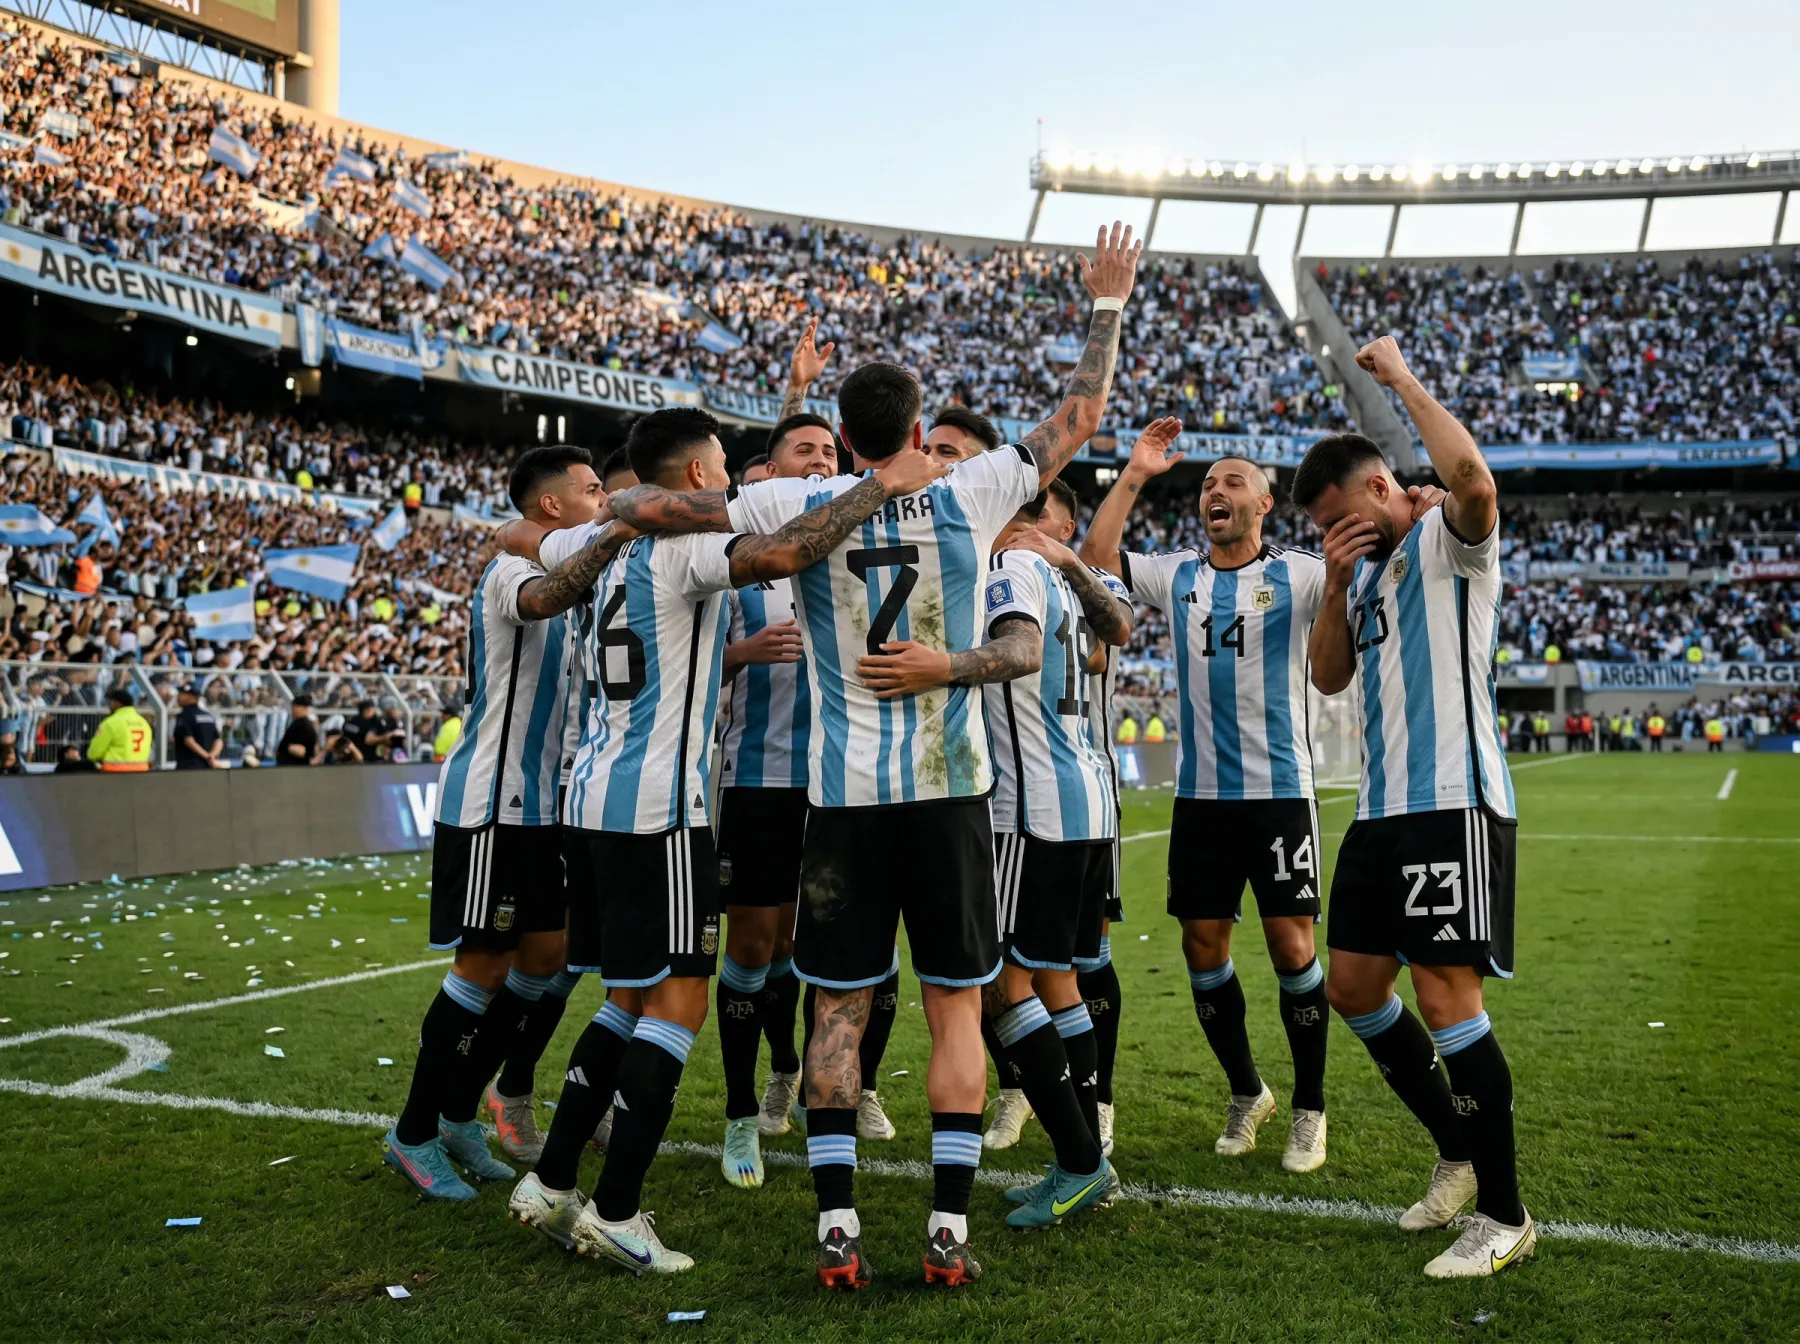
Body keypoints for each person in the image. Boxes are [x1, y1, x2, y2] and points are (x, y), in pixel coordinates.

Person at [604, 223, 1139, 1288]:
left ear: (839, 437)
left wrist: (608, 512)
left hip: (841, 805)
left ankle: (836, 1230)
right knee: (955, 1009)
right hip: (950, 800)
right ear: (915, 426)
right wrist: (1106, 303)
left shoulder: (795, 500)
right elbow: (1081, 414)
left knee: (837, 1013)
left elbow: (657, 508)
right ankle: (948, 1231)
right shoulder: (975, 489)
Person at [505, 408, 946, 1274]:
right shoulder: (680, 550)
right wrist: (877, 485)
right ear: (703, 477)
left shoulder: (593, 544)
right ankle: (620, 1209)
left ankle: (553, 1182)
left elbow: (528, 541)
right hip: (661, 808)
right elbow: (781, 553)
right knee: (679, 1004)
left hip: (595, 794)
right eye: (722, 468)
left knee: (626, 999)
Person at [1294, 334, 1530, 1280]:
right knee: (1349, 988)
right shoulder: (1367, 572)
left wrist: (1396, 378)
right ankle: (1459, 1152)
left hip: (1452, 803)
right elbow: (1326, 675)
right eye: (1320, 529)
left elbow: (1472, 478)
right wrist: (1338, 578)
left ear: (1385, 485)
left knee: (1444, 997)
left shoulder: (1446, 539)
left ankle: (1506, 1215)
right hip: (1381, 810)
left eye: (1343, 517)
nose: (1335, 533)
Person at [1085, 427, 1342, 1174]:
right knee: (1204, 950)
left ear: (1265, 502)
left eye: (1231, 482)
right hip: (1200, 800)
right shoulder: (1178, 575)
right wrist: (1135, 473)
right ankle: (1246, 1091)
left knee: (1294, 948)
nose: (1214, 493)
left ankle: (1309, 1108)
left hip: (1279, 795)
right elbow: (1098, 559)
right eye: (1206, 487)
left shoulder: (1301, 574)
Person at [386, 446, 627, 1203]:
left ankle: (463, 1111)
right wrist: (618, 533)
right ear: (550, 508)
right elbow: (547, 598)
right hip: (493, 801)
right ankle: (414, 1131)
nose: (603, 501)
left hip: (545, 806)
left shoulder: (566, 570)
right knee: (482, 967)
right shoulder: (513, 573)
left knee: (546, 960)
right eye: (594, 492)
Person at [973, 477, 1134, 1227]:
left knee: (1004, 986)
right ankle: (1081, 1147)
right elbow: (1118, 631)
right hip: (1084, 797)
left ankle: (1078, 1159)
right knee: (1058, 979)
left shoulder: (1009, 566)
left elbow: (1020, 653)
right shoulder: (1060, 576)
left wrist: (938, 665)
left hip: (1027, 808)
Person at [88, 688, 152, 772]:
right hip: (141, 769)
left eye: (110, 702)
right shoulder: (144, 723)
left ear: (116, 703)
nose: (109, 705)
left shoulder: (110, 723)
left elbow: (94, 753)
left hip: (115, 770)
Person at [173, 685, 224, 769]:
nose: (178, 697)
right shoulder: (208, 716)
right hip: (208, 766)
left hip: (188, 767)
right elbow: (218, 740)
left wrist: (207, 756)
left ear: (191, 697)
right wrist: (212, 756)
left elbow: (188, 740)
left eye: (182, 694)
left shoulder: (184, 716)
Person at [278, 696, 320, 765]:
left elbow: (303, 751)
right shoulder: (298, 723)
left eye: (295, 707)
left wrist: (289, 748)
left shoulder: (304, 726)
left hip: (297, 765)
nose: (293, 710)